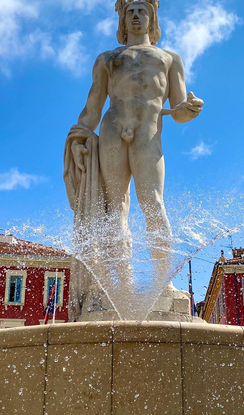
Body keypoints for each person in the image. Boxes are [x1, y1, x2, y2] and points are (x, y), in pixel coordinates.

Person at [64, 0, 203, 316]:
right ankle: (120, 284)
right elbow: (92, 107)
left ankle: (162, 283)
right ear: (123, 19)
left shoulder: (169, 59)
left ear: (152, 17)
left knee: (152, 201)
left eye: (143, 10)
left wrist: (190, 109)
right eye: (131, 11)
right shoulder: (108, 59)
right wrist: (80, 137)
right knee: (116, 209)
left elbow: (179, 109)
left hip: (147, 133)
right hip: (113, 129)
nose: (137, 15)